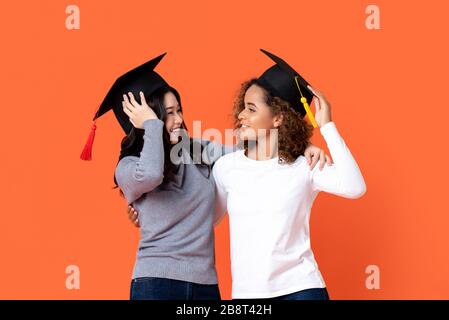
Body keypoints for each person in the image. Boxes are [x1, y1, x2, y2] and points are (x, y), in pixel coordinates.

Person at [111, 53, 332, 300]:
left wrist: (303, 148)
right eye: (168, 113)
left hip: (205, 285)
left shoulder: (192, 150)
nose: (179, 120)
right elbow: (151, 174)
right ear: (143, 120)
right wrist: (152, 125)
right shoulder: (128, 167)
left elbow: (253, 151)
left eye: (179, 110)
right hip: (156, 284)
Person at [211, 49, 367, 300]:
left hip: (301, 289)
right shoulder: (226, 167)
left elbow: (355, 187)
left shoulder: (305, 165)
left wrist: (327, 126)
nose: (241, 115)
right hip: (248, 295)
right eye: (243, 107)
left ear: (278, 119)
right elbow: (206, 219)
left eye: (251, 109)